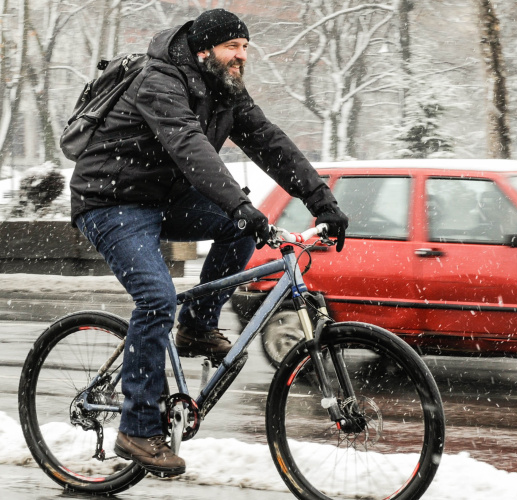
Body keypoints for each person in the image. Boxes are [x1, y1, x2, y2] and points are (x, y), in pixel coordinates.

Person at [67, 8, 349, 476]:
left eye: (245, 48)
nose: (240, 56)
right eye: (231, 47)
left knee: (236, 225)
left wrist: (323, 202)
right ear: (204, 52)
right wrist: (243, 207)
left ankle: (196, 327)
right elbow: (189, 149)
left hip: (163, 198)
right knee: (156, 299)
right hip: (110, 199)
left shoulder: (226, 90)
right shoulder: (158, 82)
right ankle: (136, 429)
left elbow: (269, 142)